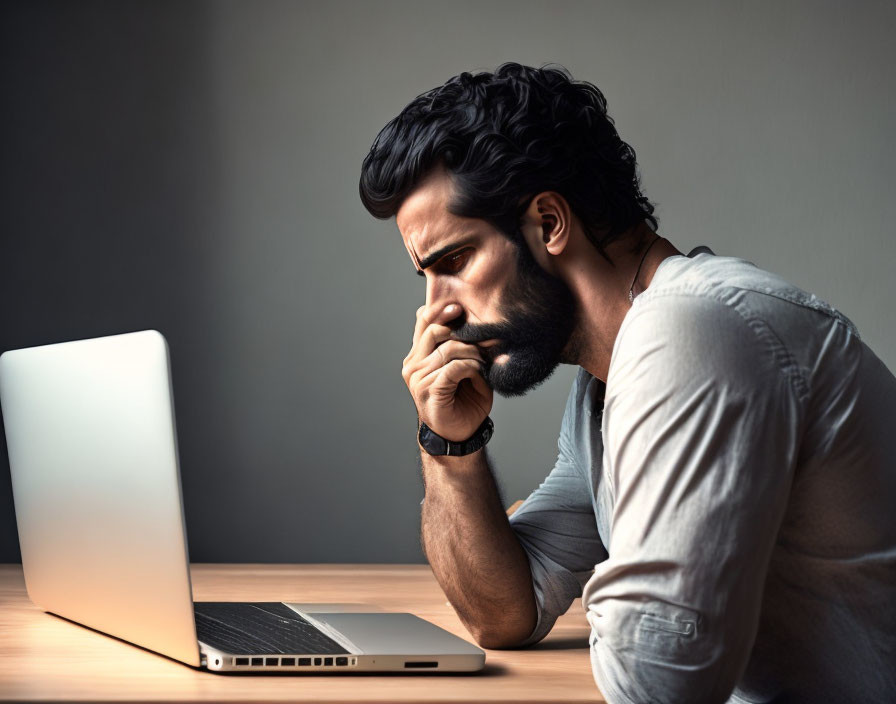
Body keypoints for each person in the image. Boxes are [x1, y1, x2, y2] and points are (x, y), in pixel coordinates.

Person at [357, 62, 896, 703]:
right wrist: (450, 445)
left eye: (454, 261)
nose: (436, 311)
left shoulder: (694, 329)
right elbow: (505, 613)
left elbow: (655, 681)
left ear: (551, 222)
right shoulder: (603, 391)